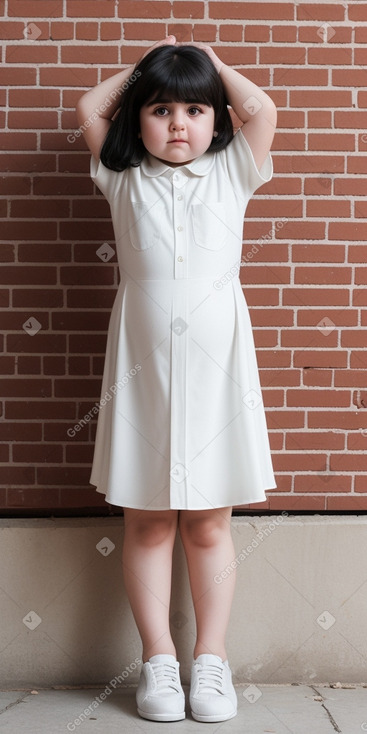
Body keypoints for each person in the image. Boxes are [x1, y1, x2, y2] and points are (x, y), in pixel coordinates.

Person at [75, 35, 277, 724]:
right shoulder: (119, 175)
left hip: (217, 374)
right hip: (143, 376)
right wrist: (150, 67)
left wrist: (206, 64)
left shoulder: (234, 171)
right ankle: (158, 659)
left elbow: (263, 108)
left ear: (217, 119)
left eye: (195, 110)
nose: (179, 124)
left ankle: (211, 662)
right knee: (151, 521)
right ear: (138, 120)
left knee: (209, 526)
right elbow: (88, 105)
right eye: (161, 110)